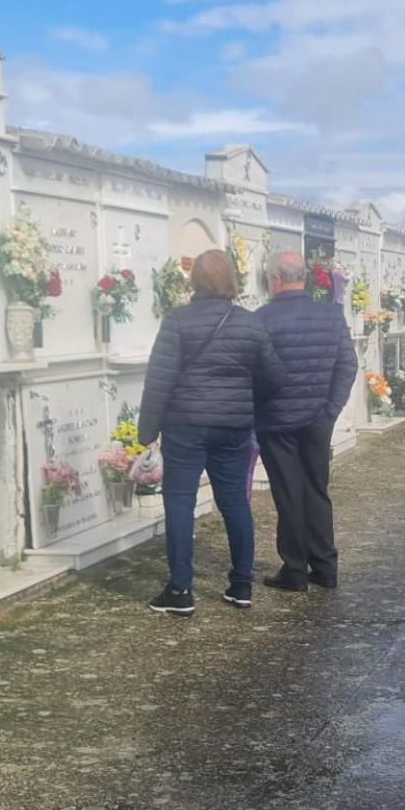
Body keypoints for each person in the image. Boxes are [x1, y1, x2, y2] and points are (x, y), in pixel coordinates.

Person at [138, 249, 285, 616]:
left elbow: (159, 380)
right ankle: (240, 585)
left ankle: (180, 590)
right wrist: (245, 403)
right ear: (232, 280)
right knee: (235, 502)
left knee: (180, 503)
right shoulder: (250, 324)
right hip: (233, 428)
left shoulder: (177, 322)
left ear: (195, 281)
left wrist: (147, 432)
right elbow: (275, 376)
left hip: (184, 426)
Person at [255, 251, 358, 592]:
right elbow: (348, 364)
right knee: (316, 488)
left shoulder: (263, 319)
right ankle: (325, 566)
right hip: (318, 418)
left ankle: (295, 568)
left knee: (288, 492)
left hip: (277, 419)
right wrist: (330, 408)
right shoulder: (331, 315)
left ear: (275, 279)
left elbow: (256, 372)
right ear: (305, 277)